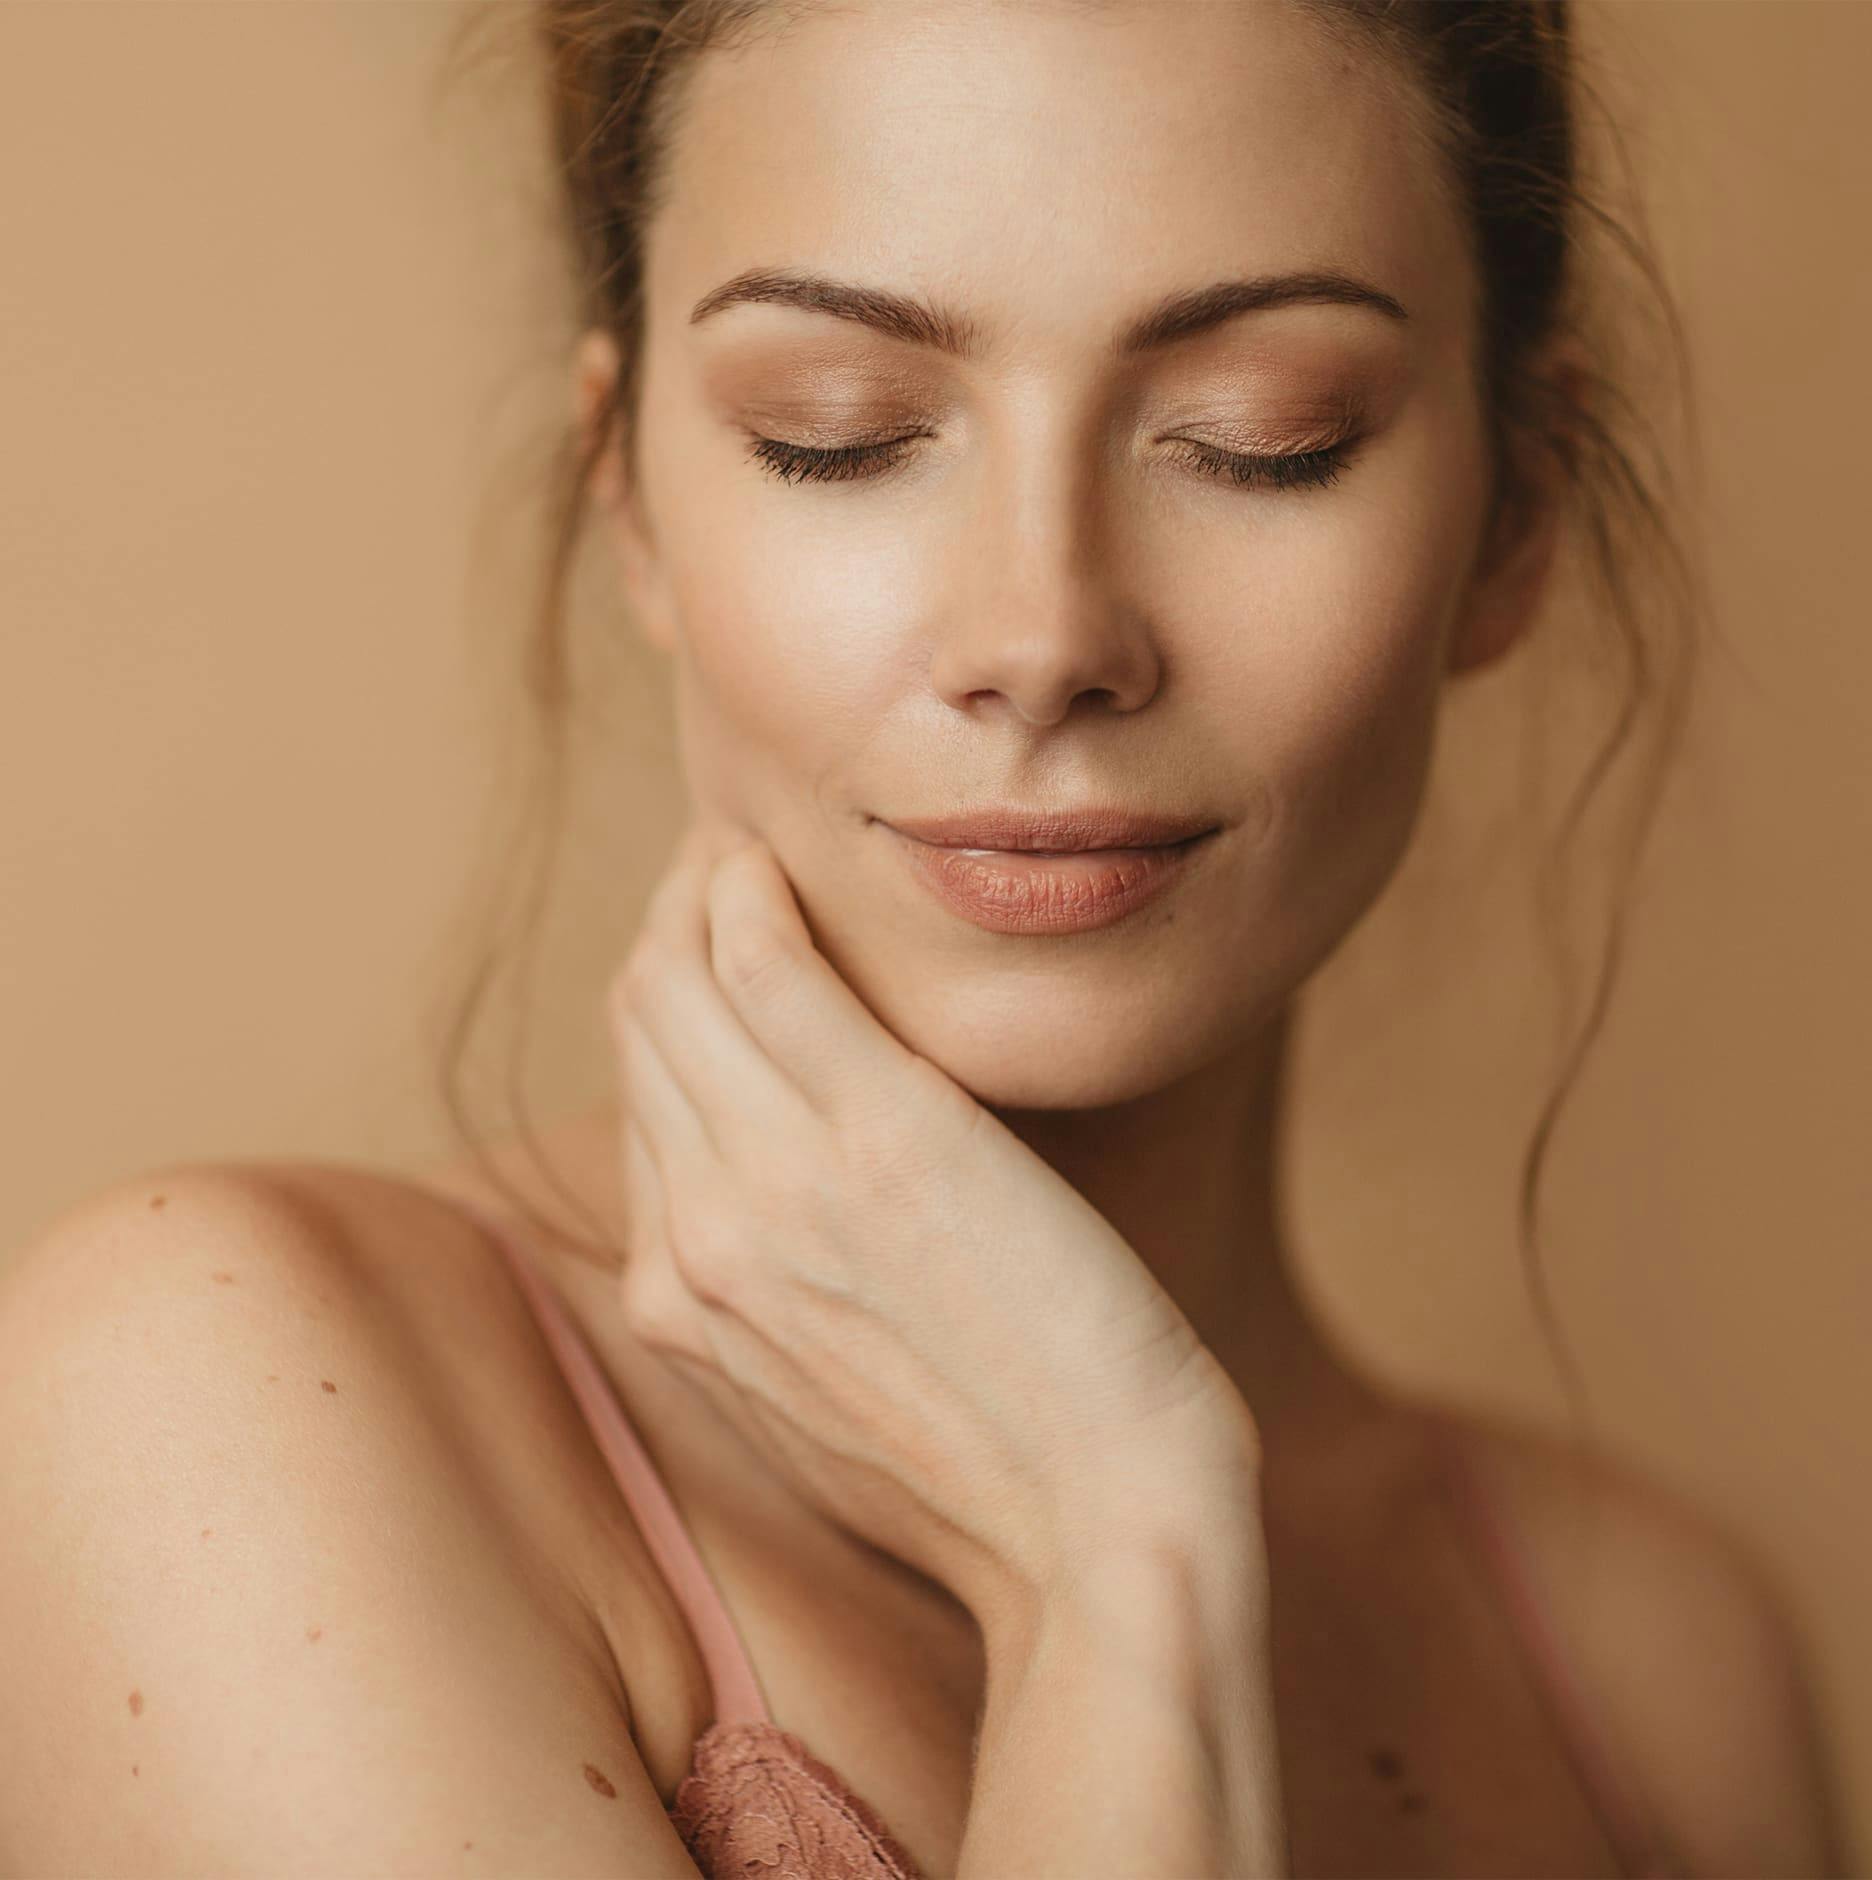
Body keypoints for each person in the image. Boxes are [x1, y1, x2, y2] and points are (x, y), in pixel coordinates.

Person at [0, 2, 1847, 1876]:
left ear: (1518, 509)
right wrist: (1113, 1556)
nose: (1043, 636)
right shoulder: (225, 1400)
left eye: (1262, 440)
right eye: (841, 436)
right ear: (630, 495)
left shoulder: (1664, 1676)